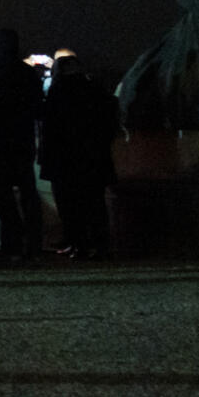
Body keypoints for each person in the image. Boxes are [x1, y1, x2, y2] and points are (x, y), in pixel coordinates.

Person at [40, 53, 120, 257]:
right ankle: (101, 245)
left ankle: (78, 244)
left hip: (64, 158)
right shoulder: (97, 89)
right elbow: (111, 121)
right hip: (94, 156)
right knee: (95, 202)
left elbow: (50, 127)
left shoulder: (58, 92)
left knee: (69, 204)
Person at [0, 28, 45, 263]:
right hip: (21, 142)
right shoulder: (27, 74)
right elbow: (38, 109)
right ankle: (34, 244)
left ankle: (13, 243)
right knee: (28, 194)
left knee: (3, 196)